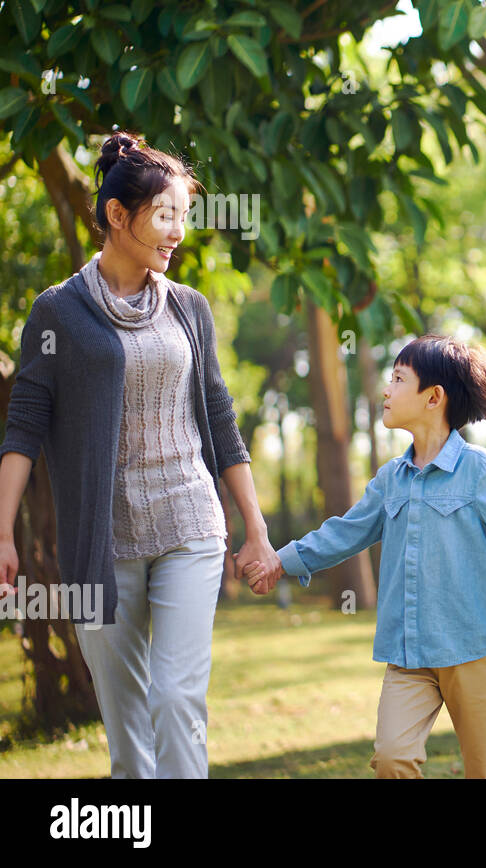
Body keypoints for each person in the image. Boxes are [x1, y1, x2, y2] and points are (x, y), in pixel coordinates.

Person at [0, 131, 278, 778]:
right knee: (127, 730)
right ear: (117, 216)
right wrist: (4, 532)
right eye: (165, 216)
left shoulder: (189, 308)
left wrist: (256, 529)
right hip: (101, 543)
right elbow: (24, 427)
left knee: (177, 697)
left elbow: (219, 418)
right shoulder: (58, 314)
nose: (178, 231)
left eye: (184, 216)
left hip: (190, 526)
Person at [247, 334, 486, 778]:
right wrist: (283, 560)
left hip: (475, 649)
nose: (386, 390)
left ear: (433, 397)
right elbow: (346, 532)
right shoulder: (390, 479)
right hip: (408, 652)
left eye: (398, 379)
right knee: (392, 757)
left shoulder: (481, 472)